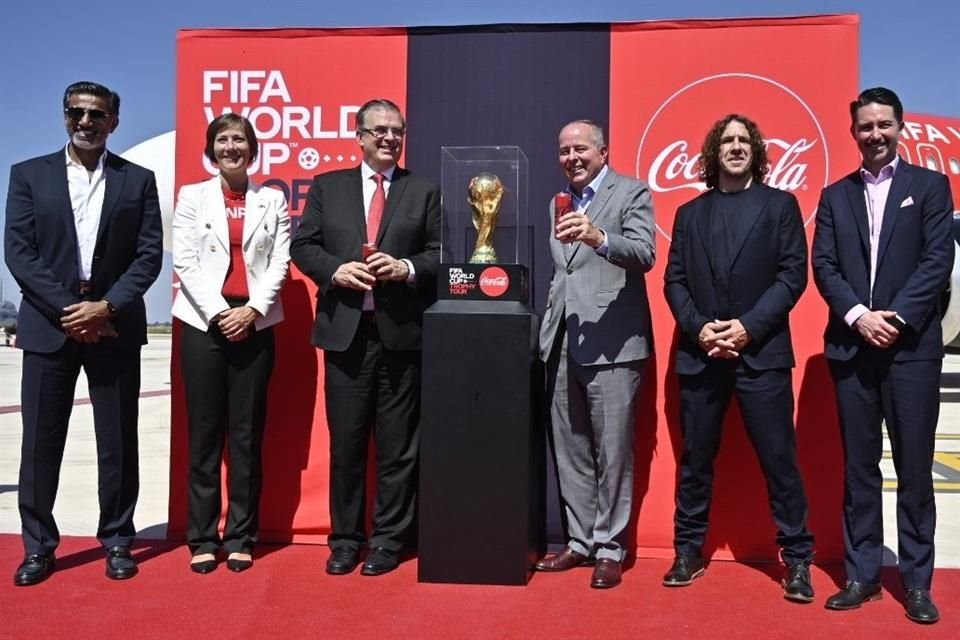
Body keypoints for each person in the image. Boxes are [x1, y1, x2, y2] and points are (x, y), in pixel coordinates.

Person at [4, 81, 163, 585]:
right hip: (50, 326)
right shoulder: (28, 175)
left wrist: (106, 307)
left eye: (97, 114)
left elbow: (148, 255)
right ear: (64, 116)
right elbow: (19, 252)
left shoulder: (137, 180)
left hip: (114, 326)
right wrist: (72, 308)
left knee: (117, 441)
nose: (86, 121)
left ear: (114, 121)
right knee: (41, 443)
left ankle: (117, 538)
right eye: (76, 112)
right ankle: (38, 546)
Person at [812, 87, 954, 624]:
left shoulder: (931, 187)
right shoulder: (835, 195)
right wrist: (858, 316)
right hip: (853, 349)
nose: (874, 134)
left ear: (900, 128)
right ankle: (862, 575)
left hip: (911, 350)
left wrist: (893, 317)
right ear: (853, 132)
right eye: (865, 126)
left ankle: (917, 583)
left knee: (915, 471)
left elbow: (938, 261)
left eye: (884, 125)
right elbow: (824, 265)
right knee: (859, 470)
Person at [661, 114, 815, 601]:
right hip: (701, 354)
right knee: (695, 462)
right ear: (713, 151)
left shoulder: (781, 206)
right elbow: (675, 280)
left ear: (756, 150)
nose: (735, 147)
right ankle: (688, 550)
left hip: (762, 356)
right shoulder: (689, 213)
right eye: (726, 140)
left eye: (743, 140)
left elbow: (793, 276)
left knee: (780, 462)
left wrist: (748, 327)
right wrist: (699, 327)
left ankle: (797, 561)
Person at [290, 98, 441, 576]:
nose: (389, 138)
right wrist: (336, 272)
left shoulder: (423, 190)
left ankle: (388, 542)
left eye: (396, 130)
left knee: (398, 449)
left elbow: (442, 253)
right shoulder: (327, 187)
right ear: (359, 136)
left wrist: (407, 267)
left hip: (401, 339)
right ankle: (345, 539)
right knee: (348, 446)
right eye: (379, 130)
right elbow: (303, 246)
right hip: (346, 338)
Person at [535, 119, 655, 589]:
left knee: (613, 451)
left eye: (581, 149)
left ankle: (611, 547)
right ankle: (581, 541)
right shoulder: (556, 201)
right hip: (563, 339)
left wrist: (598, 237)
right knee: (571, 449)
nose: (572, 158)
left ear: (603, 152)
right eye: (564, 151)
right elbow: (562, 273)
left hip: (615, 341)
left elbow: (644, 253)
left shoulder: (632, 192)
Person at [171, 113, 290, 574]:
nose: (231, 147)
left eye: (239, 139)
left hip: (255, 325)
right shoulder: (192, 196)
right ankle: (203, 537)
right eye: (222, 140)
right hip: (204, 325)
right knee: (204, 438)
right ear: (211, 148)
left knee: (246, 437)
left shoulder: (272, 199)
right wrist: (220, 313)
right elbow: (184, 260)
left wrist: (252, 311)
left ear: (252, 148)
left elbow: (280, 260)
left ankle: (241, 535)